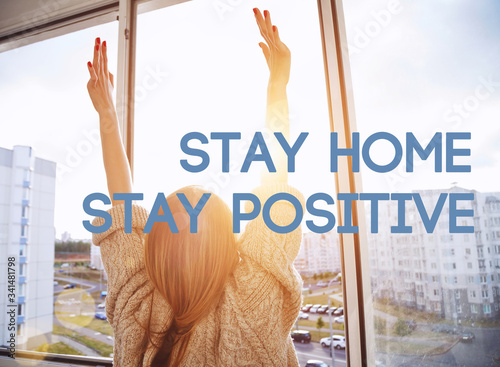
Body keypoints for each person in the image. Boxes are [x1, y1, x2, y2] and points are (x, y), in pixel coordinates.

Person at [86, 8, 304, 367]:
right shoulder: (250, 300)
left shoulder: (139, 304)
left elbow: (121, 202)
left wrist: (108, 114)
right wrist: (277, 86)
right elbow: (274, 186)